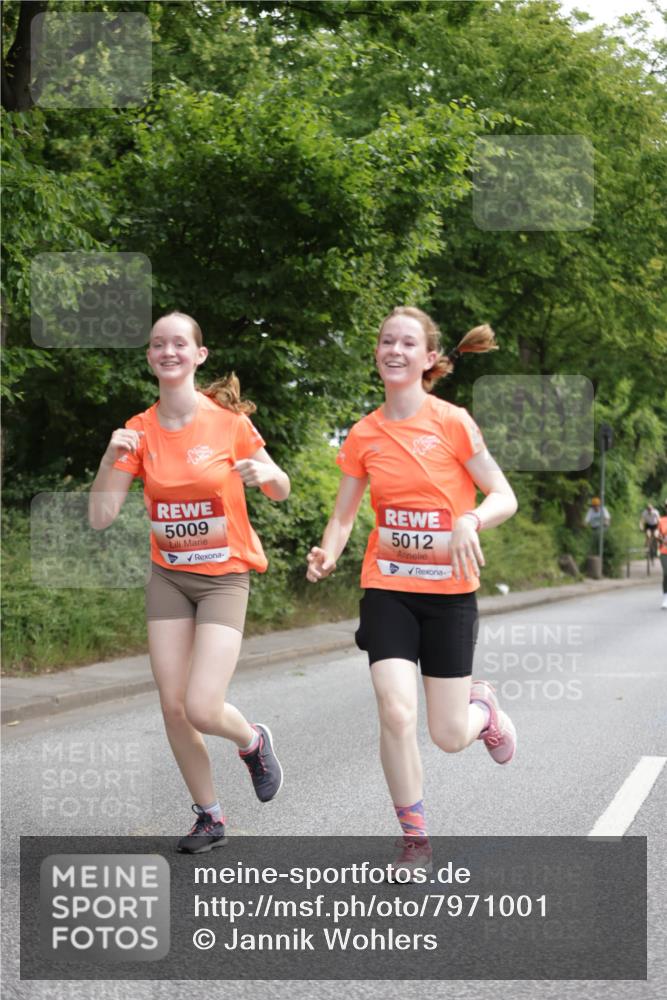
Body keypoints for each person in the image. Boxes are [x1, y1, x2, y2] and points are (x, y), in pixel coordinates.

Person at [306, 306, 518, 878]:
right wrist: (329, 550)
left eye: (406, 343)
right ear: (377, 354)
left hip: (450, 593)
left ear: (428, 359)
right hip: (388, 590)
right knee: (396, 711)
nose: (393, 350)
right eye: (385, 341)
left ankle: (484, 708)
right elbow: (345, 514)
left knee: (448, 736)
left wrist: (469, 521)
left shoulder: (452, 422)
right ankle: (415, 838)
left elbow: (503, 495)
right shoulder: (364, 433)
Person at [89, 311, 290, 853]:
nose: (168, 351)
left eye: (180, 343)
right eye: (158, 344)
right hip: (170, 578)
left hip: (225, 578)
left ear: (199, 355)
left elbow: (279, 489)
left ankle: (251, 741)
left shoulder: (227, 423)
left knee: (203, 705)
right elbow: (101, 516)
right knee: (173, 706)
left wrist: (269, 475)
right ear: (150, 357)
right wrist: (111, 459)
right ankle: (209, 816)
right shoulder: (139, 430)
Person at [658, 500, 667, 610]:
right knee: (666, 573)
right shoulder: (662, 521)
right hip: (665, 551)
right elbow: (658, 535)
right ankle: (666, 597)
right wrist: (661, 538)